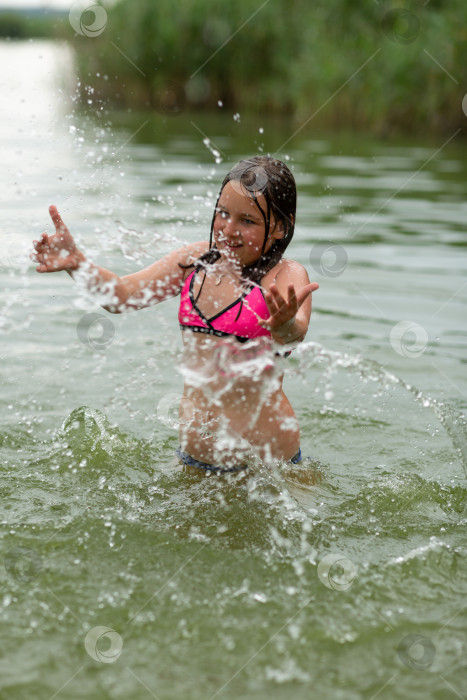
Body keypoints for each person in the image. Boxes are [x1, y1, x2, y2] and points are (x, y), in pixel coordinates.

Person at [32, 156, 319, 474]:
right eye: (223, 213)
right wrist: (78, 265)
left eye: (247, 221)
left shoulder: (285, 276)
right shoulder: (195, 262)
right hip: (195, 456)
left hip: (269, 467)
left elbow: (294, 333)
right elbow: (122, 296)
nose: (228, 229)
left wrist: (284, 324)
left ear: (280, 227)